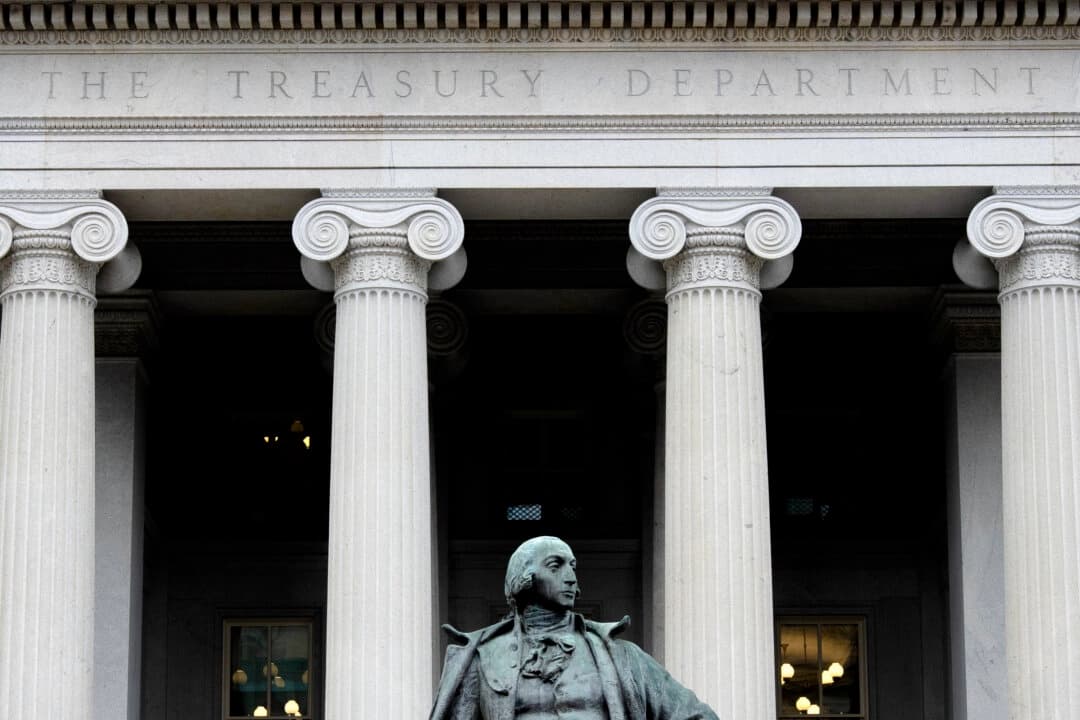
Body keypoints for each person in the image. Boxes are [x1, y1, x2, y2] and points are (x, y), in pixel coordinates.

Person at [429, 536, 719, 720]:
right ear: (524, 579)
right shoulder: (482, 657)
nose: (571, 577)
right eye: (555, 566)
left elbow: (696, 716)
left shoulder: (622, 657)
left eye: (573, 566)